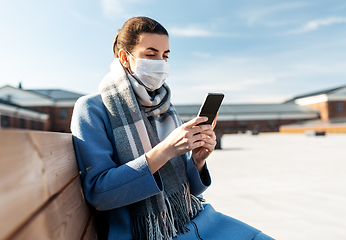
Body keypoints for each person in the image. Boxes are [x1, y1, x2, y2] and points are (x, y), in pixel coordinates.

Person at [71, 16, 274, 240]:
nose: (160, 62)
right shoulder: (92, 108)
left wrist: (197, 160)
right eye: (151, 54)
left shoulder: (164, 107)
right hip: (144, 230)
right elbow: (99, 193)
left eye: (165, 56)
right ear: (125, 58)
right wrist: (166, 149)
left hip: (190, 217)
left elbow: (190, 191)